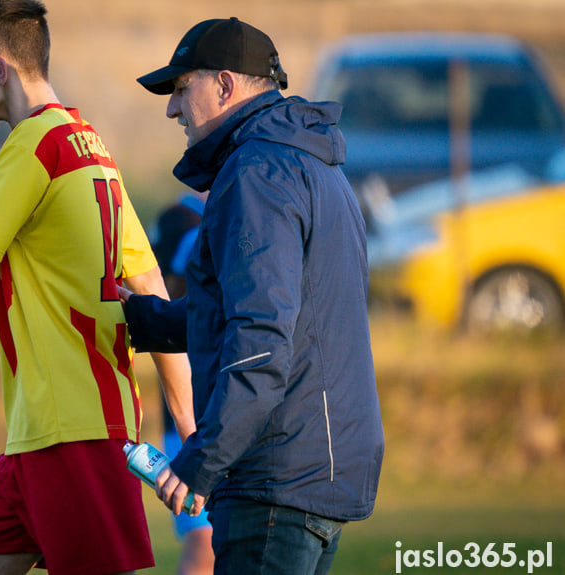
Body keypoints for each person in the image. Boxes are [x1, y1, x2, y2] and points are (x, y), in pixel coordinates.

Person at [0, 2, 195, 574]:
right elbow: (150, 285)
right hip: (37, 439)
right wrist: (188, 431)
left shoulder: (34, 147)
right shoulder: (90, 146)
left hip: (75, 437)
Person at [121, 17, 385, 575]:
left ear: (224, 84)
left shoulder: (256, 171)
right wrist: (143, 322)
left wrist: (200, 462)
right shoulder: (313, 162)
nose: (171, 109)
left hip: (273, 481)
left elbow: (260, 341)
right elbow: (271, 315)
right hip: (315, 476)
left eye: (180, 87)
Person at [149, 193, 214, 575]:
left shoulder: (234, 207)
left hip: (224, 404)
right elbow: (166, 291)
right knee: (203, 540)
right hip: (188, 404)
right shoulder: (183, 218)